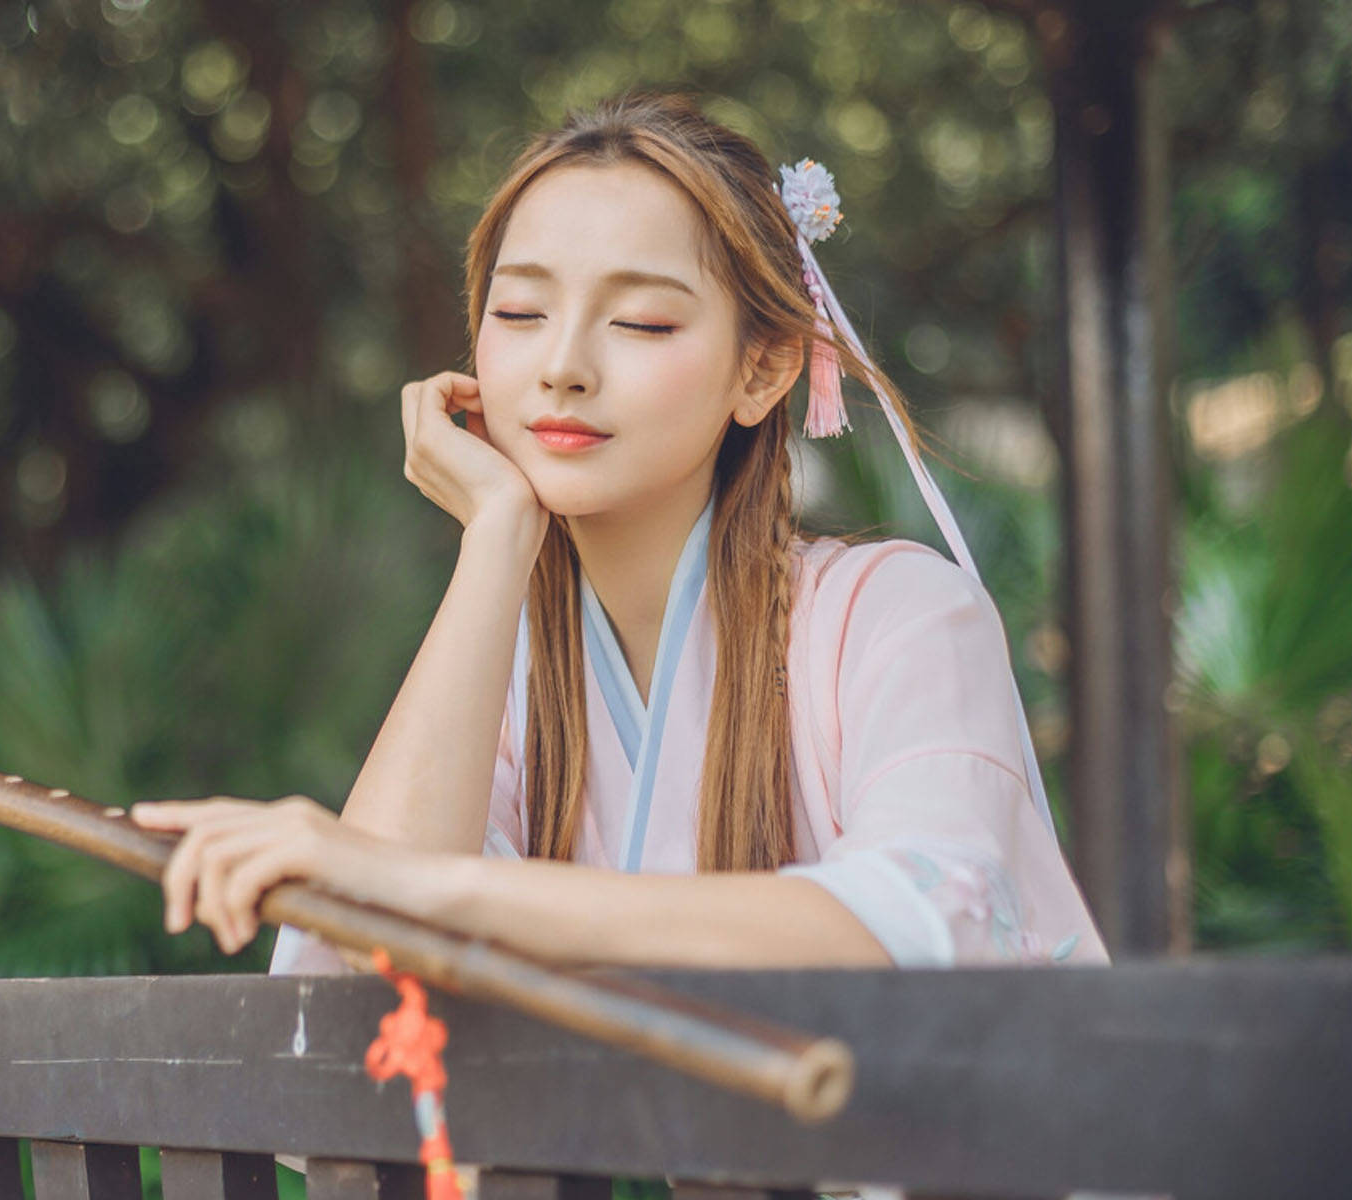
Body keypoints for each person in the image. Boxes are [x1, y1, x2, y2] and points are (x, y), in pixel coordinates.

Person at [127, 89, 1110, 978]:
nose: (561, 365)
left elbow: (909, 925)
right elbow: (354, 974)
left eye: (640, 323)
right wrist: (496, 538)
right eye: (519, 311)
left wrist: (438, 896)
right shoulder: (501, 669)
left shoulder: (903, 620)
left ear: (764, 370)